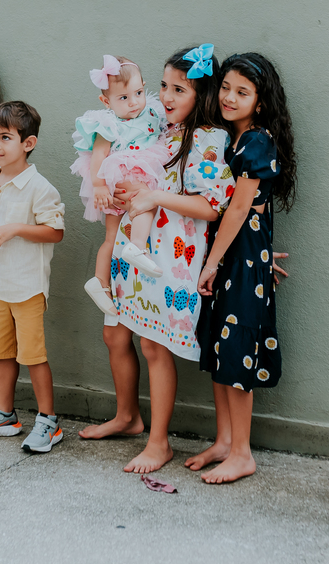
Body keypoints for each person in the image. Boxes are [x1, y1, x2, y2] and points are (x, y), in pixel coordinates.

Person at [78, 45, 233, 475]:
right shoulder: (160, 128)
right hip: (138, 248)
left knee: (153, 343)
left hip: (171, 256)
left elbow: (211, 204)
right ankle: (130, 418)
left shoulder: (207, 139)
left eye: (178, 89)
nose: (165, 96)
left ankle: (159, 442)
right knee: (126, 336)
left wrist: (153, 196)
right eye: (163, 86)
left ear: (201, 95)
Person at [193, 52, 298, 484]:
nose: (229, 98)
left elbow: (237, 209)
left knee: (237, 352)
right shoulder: (228, 139)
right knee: (220, 346)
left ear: (261, 100)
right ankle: (223, 441)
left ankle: (242, 452)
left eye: (242, 92)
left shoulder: (257, 141)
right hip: (235, 253)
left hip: (237, 257)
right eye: (226, 88)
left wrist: (214, 262)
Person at [0, 101, 66, 452]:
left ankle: (48, 421)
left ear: (28, 143)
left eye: (5, 137)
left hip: (27, 287)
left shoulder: (40, 188)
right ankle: (4, 414)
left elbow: (55, 231)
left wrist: (17, 229)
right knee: (2, 353)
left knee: (33, 355)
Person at [71, 55, 167, 315]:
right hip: (118, 177)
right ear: (106, 101)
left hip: (138, 170)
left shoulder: (152, 111)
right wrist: (100, 186)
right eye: (123, 98)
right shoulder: (108, 123)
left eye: (137, 93)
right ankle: (137, 246)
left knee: (111, 238)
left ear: (144, 86)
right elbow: (98, 157)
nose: (134, 102)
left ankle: (99, 282)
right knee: (143, 204)